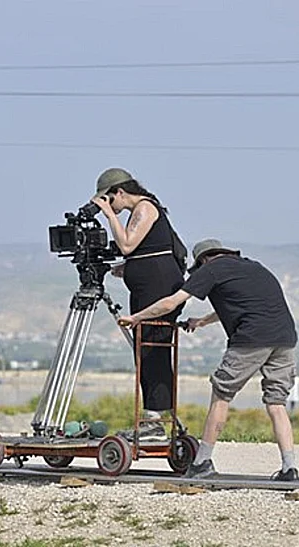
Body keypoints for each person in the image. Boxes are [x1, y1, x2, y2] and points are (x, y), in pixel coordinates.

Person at [118, 238, 299, 480]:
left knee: (221, 396)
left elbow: (171, 302)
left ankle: (202, 462)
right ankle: (289, 467)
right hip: (285, 339)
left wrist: (136, 317)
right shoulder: (254, 267)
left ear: (203, 260)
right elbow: (245, 304)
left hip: (251, 340)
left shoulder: (211, 269)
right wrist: (202, 321)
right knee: (276, 404)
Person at [91, 167, 186, 442]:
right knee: (147, 351)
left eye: (110, 200)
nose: (112, 207)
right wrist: (129, 268)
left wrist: (109, 216)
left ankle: (154, 421)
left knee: (152, 352)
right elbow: (141, 253)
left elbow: (128, 245)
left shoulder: (144, 208)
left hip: (155, 291)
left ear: (120, 192)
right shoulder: (141, 211)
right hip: (149, 287)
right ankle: (154, 417)